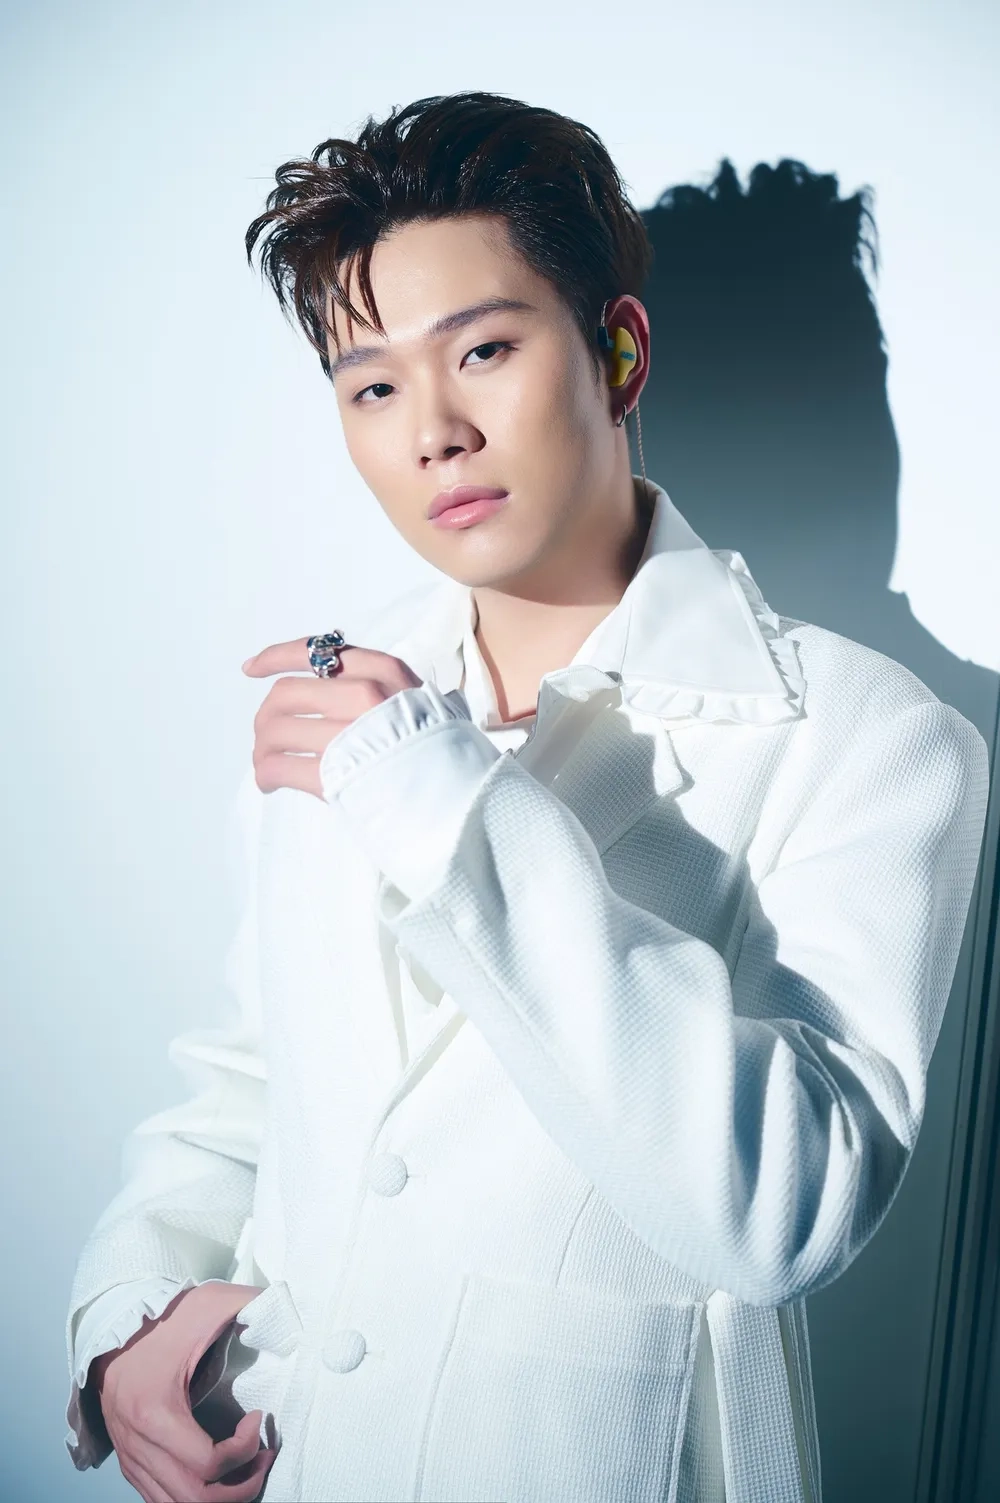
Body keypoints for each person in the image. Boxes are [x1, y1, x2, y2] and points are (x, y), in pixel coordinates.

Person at [63, 91, 990, 1503]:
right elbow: (252, 1088)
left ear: (618, 352)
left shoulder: (875, 737)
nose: (433, 432)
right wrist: (128, 1319)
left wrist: (444, 805)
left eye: (483, 350)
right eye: (373, 388)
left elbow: (785, 1207)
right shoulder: (346, 693)